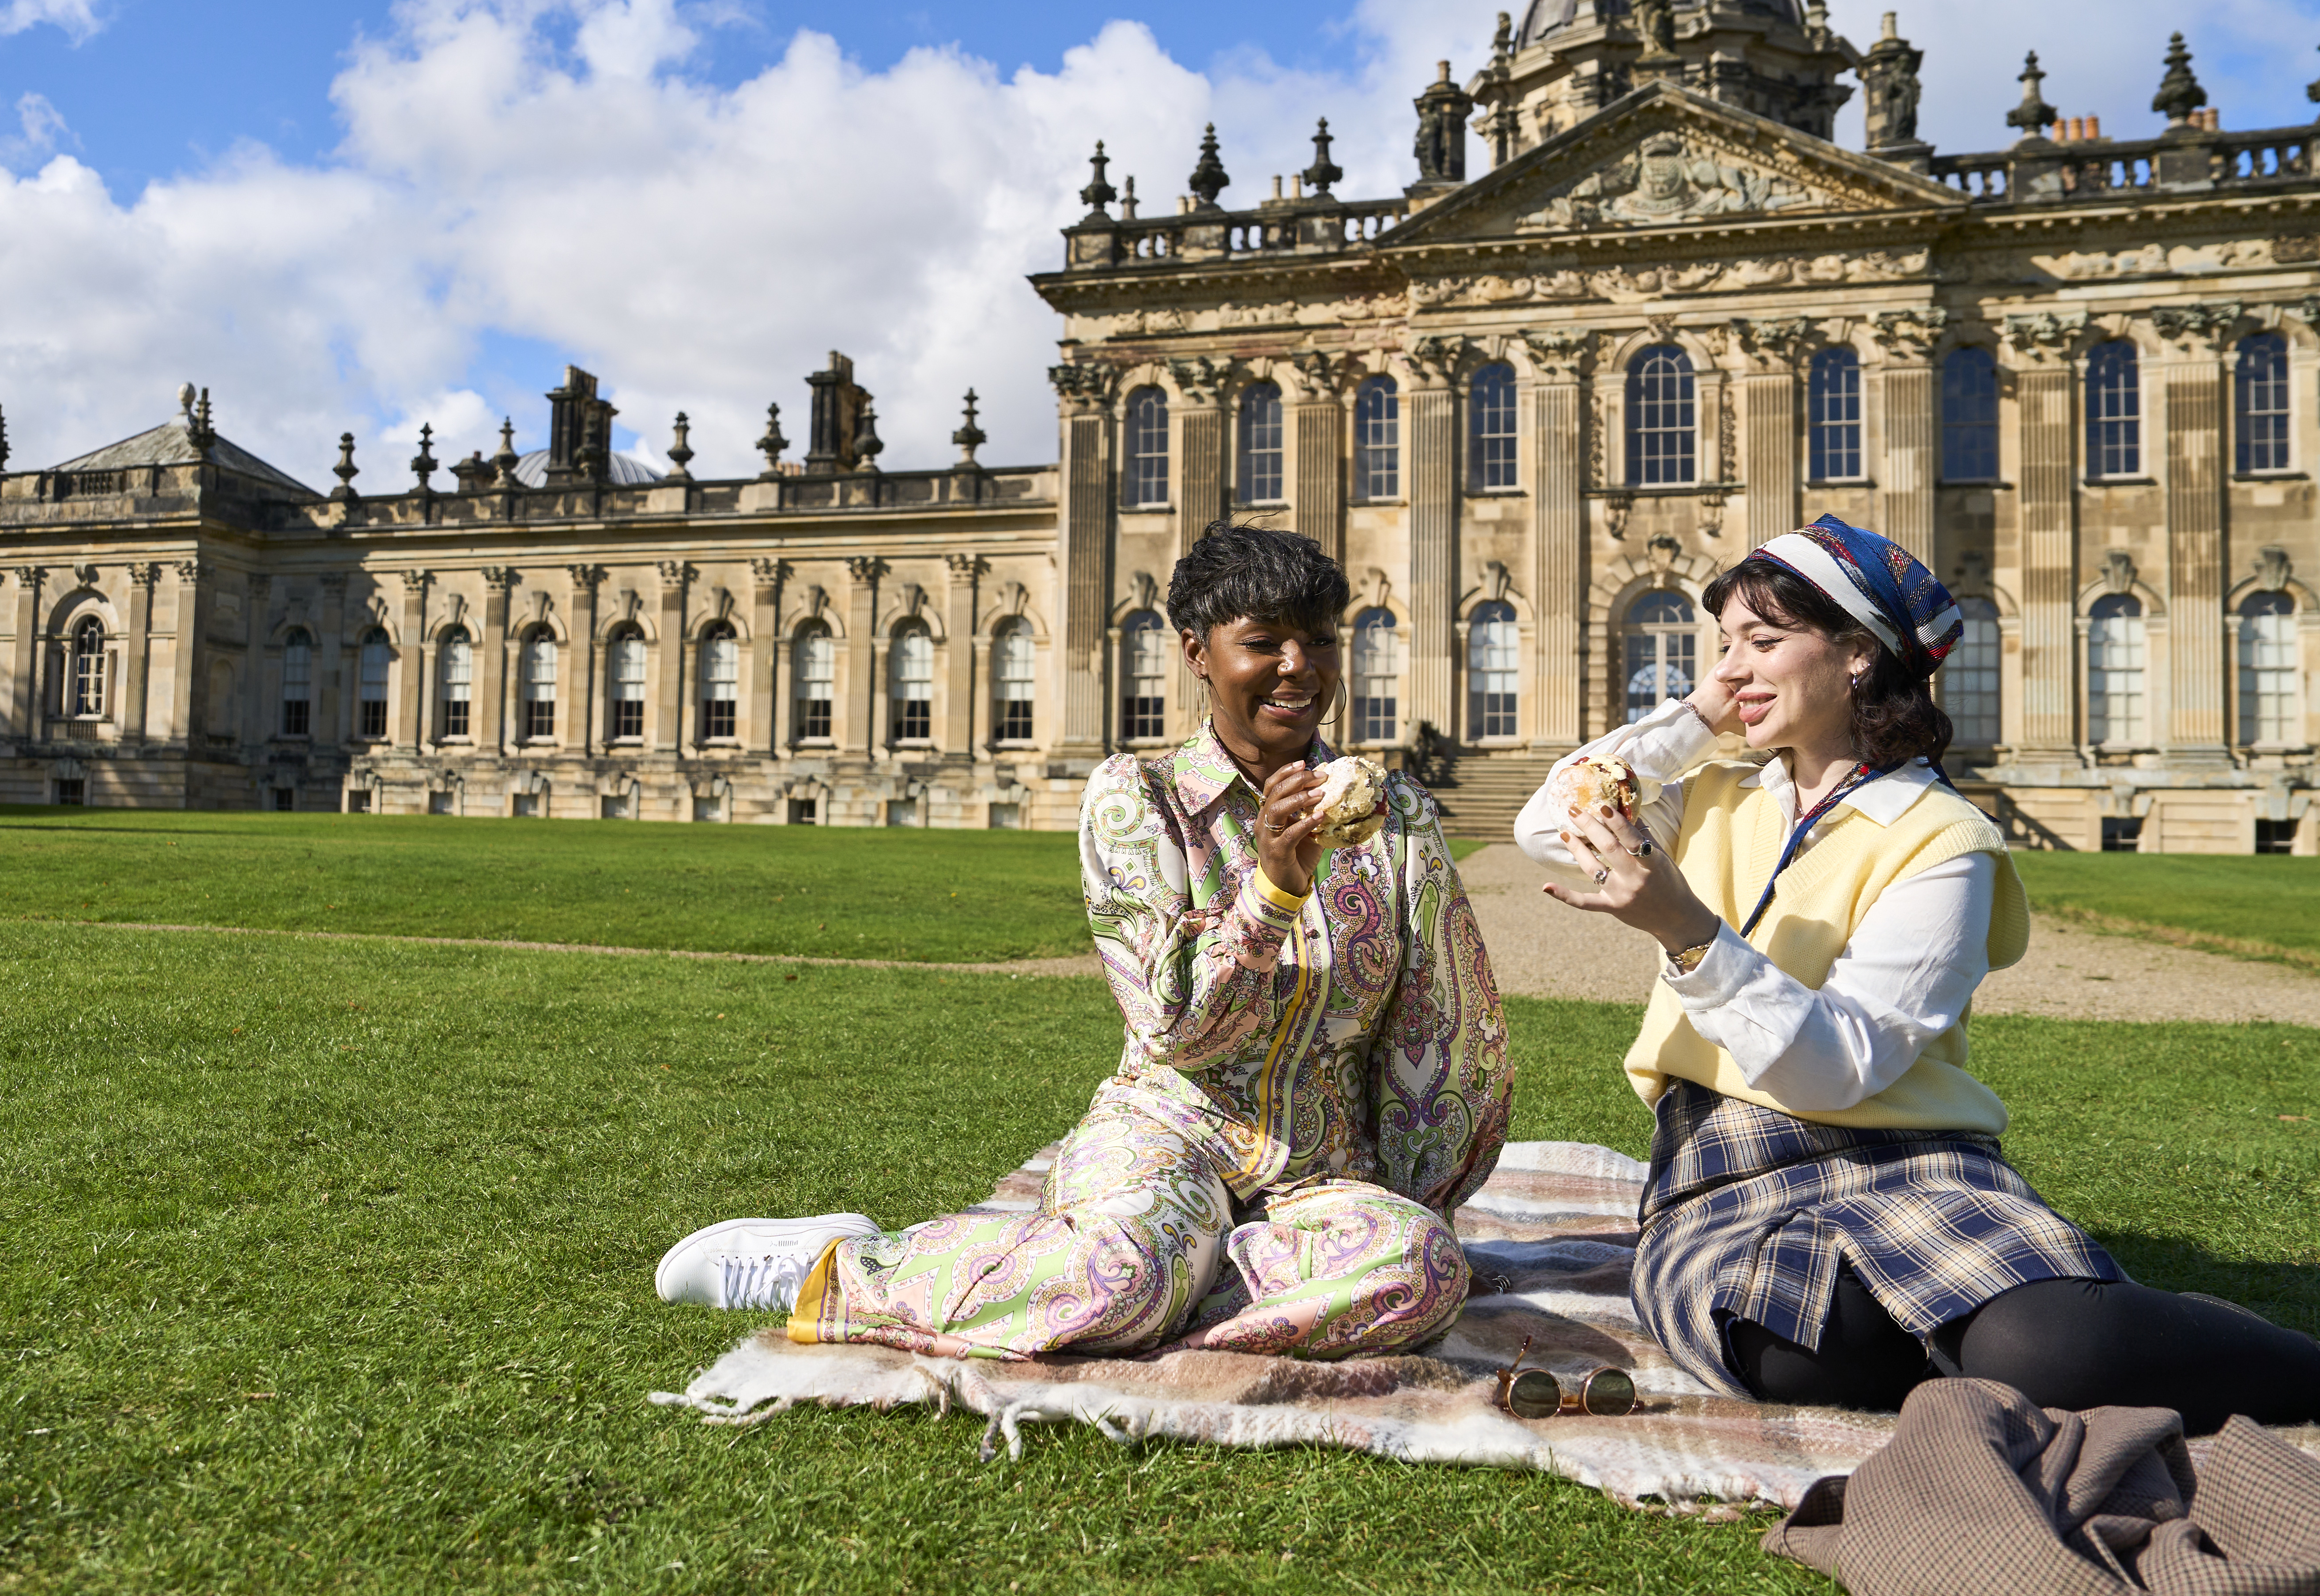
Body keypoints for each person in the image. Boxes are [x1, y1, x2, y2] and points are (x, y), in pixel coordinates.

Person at [1520, 514, 2320, 1431]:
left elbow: (1837, 1069)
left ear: (1857, 655)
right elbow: (1548, 823)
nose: (1728, 668)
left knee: (2048, 1353)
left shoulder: (1943, 842)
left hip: (1910, 1161)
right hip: (1720, 1172)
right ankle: (2020, 1332)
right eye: (1723, 644)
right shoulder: (1711, 793)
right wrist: (1703, 716)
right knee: (1797, 1347)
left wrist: (1691, 935)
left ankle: (2182, 1347)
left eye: (1763, 642)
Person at [655, 522, 1513, 1361]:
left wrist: (1413, 1204)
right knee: (1130, 1273)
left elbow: (1444, 1031)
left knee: (1421, 1268)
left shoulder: (1395, 817)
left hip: (1325, 1171)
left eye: (1320, 641)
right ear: (1196, 652)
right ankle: (847, 1269)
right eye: (1266, 643)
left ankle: (1132, 1284)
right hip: (1169, 1132)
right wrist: (1272, 886)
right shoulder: (1136, 799)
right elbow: (1175, 1026)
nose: (1300, 668)